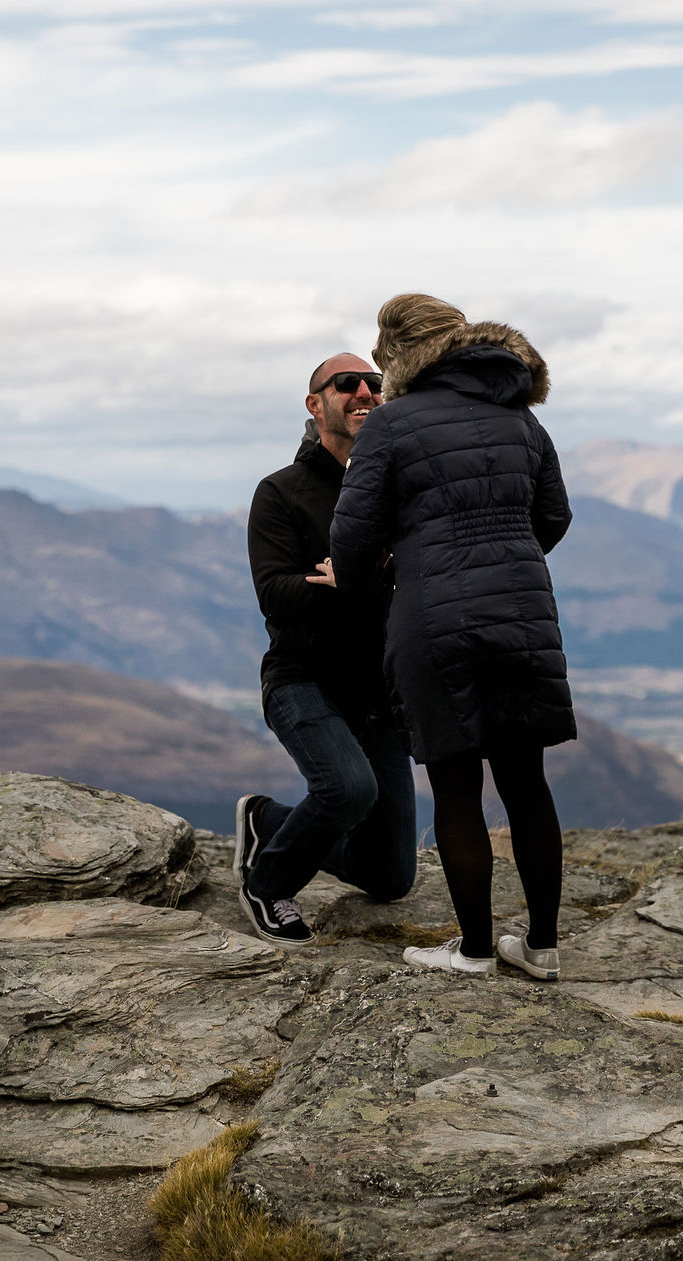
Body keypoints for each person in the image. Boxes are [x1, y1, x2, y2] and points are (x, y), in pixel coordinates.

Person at [329, 293, 574, 980]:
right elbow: (553, 514)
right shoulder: (520, 419)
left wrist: (393, 573)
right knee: (527, 780)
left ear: (398, 356)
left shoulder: (392, 425)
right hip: (522, 611)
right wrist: (505, 560)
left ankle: (472, 949)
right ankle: (542, 948)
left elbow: (352, 537)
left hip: (432, 615)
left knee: (457, 785)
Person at [236, 352, 417, 947]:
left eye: (374, 384)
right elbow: (276, 593)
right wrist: (367, 583)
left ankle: (267, 821)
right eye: (347, 384)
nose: (365, 391)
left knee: (390, 876)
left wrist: (356, 578)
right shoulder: (281, 493)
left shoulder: (396, 488)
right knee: (348, 789)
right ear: (316, 404)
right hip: (302, 680)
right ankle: (267, 883)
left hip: (378, 693)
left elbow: (413, 582)